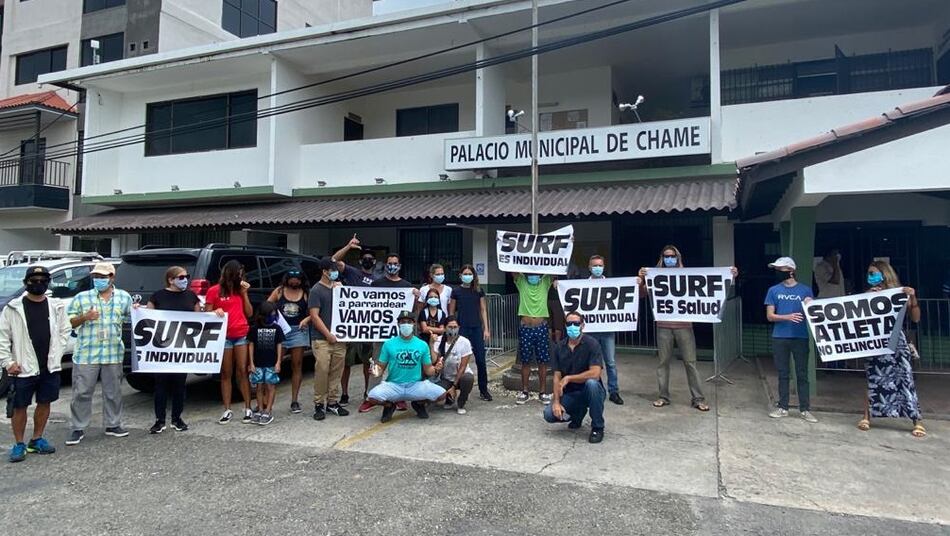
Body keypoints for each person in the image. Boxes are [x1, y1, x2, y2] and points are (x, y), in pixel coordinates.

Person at [639, 246, 737, 412]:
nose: (670, 259)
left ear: (678, 257)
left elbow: (708, 285)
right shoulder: (655, 275)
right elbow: (643, 294)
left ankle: (698, 398)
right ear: (662, 257)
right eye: (666, 256)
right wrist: (640, 279)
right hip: (663, 326)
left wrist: (729, 274)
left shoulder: (687, 274)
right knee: (663, 363)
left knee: (690, 363)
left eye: (672, 256)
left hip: (684, 326)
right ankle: (663, 396)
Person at [0, 266, 71, 462]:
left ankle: (36, 438)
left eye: (42, 280)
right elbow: (2, 337)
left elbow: (65, 330)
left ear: (48, 282)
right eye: (34, 280)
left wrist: (58, 350)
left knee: (44, 402)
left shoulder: (56, 306)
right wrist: (8, 362)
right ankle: (18, 444)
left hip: (49, 365)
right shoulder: (13, 308)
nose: (38, 284)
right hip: (22, 366)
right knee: (19, 406)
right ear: (26, 283)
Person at [66, 262, 133, 446]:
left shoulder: (123, 297)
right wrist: (84, 317)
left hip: (113, 353)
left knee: (113, 392)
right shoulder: (81, 298)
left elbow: (132, 317)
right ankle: (78, 427)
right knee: (82, 391)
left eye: (103, 277)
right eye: (96, 277)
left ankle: (113, 424)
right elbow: (68, 322)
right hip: (87, 353)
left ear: (112, 277)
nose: (99, 280)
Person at [856, 261, 925, 437]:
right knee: (874, 377)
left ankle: (916, 419)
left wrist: (913, 298)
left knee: (905, 377)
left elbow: (915, 318)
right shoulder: (867, 294)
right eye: (869, 273)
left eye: (874, 273)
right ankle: (867, 416)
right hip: (875, 340)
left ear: (885, 274)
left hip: (897, 341)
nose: (871, 276)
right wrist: (868, 297)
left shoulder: (900, 293)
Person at [146, 265, 201, 434]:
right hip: (162, 348)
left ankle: (177, 418)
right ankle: (159, 420)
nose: (185, 280)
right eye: (181, 277)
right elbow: (148, 318)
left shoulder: (192, 297)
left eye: (186, 276)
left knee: (179, 385)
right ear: (171, 279)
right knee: (161, 385)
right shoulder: (157, 296)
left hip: (182, 348)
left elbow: (200, 320)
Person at [359, 253, 417, 413]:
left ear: (399, 266)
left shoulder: (406, 286)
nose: (392, 266)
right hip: (380, 334)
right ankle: (371, 397)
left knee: (399, 367)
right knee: (377, 364)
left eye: (395, 263)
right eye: (390, 263)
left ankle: (399, 398)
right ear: (386, 265)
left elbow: (411, 311)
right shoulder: (377, 284)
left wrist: (416, 298)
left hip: (399, 335)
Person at [366, 311, 446, 423]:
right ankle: (389, 406)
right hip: (394, 385)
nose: (406, 324)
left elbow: (428, 370)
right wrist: (375, 371)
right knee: (372, 396)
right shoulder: (388, 344)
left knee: (441, 395)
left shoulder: (422, 345)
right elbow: (381, 367)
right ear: (398, 324)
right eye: (403, 322)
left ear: (414, 324)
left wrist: (436, 369)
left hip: (415, 385)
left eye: (409, 322)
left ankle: (418, 404)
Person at [765, 256, 817, 423]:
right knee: (783, 373)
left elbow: (814, 313)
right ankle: (783, 407)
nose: (779, 273)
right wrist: (787, 317)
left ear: (791, 271)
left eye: (781, 270)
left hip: (800, 336)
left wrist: (811, 304)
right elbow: (770, 316)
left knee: (802, 373)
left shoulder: (805, 290)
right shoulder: (773, 290)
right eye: (777, 270)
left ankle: (805, 408)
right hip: (780, 336)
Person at [543, 311, 606, 444]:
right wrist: (556, 402)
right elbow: (556, 376)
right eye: (569, 323)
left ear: (582, 325)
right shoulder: (559, 347)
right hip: (571, 393)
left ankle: (597, 427)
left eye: (576, 323)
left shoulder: (592, 344)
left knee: (592, 384)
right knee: (549, 414)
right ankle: (578, 413)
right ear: (565, 326)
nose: (572, 326)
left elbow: (595, 373)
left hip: (591, 392)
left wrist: (569, 378)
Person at [204, 260, 254, 425]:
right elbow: (206, 312)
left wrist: (245, 293)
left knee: (242, 371)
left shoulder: (240, 290)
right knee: (226, 373)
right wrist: (214, 310)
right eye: (239, 272)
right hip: (223, 336)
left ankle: (248, 407)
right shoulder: (214, 291)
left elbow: (249, 313)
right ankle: (227, 409)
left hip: (240, 333)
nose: (241, 275)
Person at [331, 235, 378, 406]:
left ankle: (367, 392)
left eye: (370, 259)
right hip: (350, 326)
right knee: (346, 363)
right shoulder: (352, 272)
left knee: (368, 363)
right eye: (365, 259)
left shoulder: (378, 280)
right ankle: (344, 394)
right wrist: (348, 246)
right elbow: (333, 260)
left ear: (374, 262)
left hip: (367, 328)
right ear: (360, 261)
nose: (367, 261)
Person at [308, 258, 349, 421]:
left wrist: (343, 291)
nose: (335, 273)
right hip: (322, 339)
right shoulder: (316, 290)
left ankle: (332, 402)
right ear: (324, 271)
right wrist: (327, 334)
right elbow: (314, 316)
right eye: (332, 270)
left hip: (340, 338)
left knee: (336, 371)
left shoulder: (339, 288)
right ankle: (319, 403)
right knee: (322, 370)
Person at [266, 269, 310, 414]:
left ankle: (294, 400)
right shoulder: (279, 291)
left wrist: (307, 319)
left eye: (297, 279)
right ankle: (267, 400)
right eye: (292, 278)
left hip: (298, 330)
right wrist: (272, 317)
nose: (294, 281)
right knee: (274, 364)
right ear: (287, 279)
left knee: (296, 365)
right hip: (281, 330)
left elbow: (315, 311)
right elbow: (267, 306)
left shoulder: (305, 293)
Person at [449, 264, 492, 401]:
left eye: (469, 273)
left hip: (476, 328)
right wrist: (452, 330)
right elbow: (451, 312)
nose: (467, 276)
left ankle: (483, 389)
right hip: (461, 329)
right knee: (457, 360)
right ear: (460, 275)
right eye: (465, 273)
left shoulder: (478, 290)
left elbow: (483, 310)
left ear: (473, 276)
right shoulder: (456, 291)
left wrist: (486, 329)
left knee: (480, 360)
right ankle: (454, 389)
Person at [585, 255, 622, 405]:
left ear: (604, 266)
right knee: (592, 362)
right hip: (590, 330)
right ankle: (595, 389)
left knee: (610, 362)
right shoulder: (582, 285)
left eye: (600, 265)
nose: (597, 268)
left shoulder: (611, 284)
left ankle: (614, 391)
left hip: (607, 330)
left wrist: (637, 282)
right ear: (589, 268)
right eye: (595, 265)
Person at [513, 272, 554, 405]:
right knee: (525, 361)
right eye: (530, 273)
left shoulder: (545, 282)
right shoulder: (522, 282)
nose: (533, 275)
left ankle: (542, 392)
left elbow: (554, 268)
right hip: (525, 327)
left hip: (541, 327)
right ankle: (525, 391)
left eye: (535, 273)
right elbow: (512, 268)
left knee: (543, 361)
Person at [247, 301, 284, 426]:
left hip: (271, 363)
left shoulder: (277, 328)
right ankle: (261, 410)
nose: (274, 315)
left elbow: (279, 345)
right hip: (258, 363)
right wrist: (251, 363)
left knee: (270, 386)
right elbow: (251, 345)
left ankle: (268, 410)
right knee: (258, 387)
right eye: (272, 313)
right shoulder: (254, 329)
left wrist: (278, 362)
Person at [430, 316, 475, 415]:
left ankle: (461, 403)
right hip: (446, 378)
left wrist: (454, 386)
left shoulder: (464, 342)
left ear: (459, 327)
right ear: (445, 327)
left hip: (460, 376)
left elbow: (463, 367)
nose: (453, 329)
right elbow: (433, 360)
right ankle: (449, 398)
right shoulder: (439, 340)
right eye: (450, 327)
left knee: (468, 378)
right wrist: (431, 343)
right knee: (432, 397)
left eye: (455, 327)